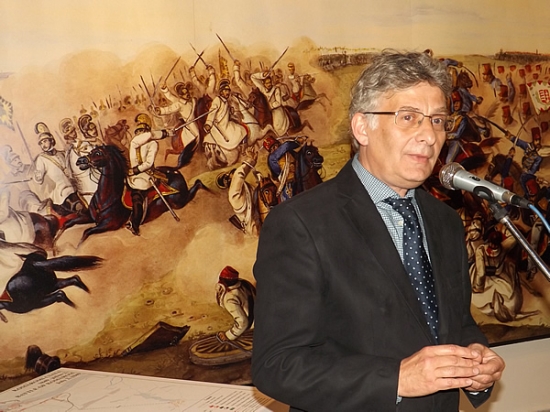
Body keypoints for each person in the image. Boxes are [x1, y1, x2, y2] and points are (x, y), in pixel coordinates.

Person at [252, 50, 505, 411]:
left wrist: (475, 357)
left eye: (437, 120)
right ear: (362, 127)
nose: (429, 136)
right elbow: (277, 365)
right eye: (408, 117)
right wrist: (397, 379)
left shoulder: (446, 221)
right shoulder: (300, 224)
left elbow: (454, 324)